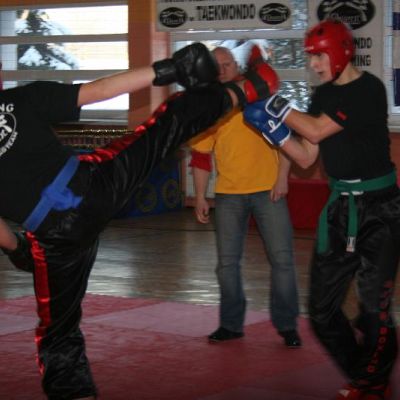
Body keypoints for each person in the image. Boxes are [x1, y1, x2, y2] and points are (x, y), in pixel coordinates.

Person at [0, 42, 280, 399]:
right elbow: (99, 90)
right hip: (94, 188)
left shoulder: (19, 100)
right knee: (167, 125)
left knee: (59, 334)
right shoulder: (18, 100)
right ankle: (247, 89)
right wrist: (167, 70)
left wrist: (17, 249)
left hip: (55, 236)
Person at [244, 19, 399, 400]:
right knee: (320, 312)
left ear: (341, 52)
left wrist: (273, 102)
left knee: (374, 308)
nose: (313, 65)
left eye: (319, 56)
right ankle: (364, 376)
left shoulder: (369, 89)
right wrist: (273, 131)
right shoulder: (322, 96)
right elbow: (305, 155)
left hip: (380, 211)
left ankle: (371, 384)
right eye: (311, 58)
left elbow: (315, 130)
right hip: (340, 209)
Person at [189, 46, 301, 347]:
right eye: (218, 66)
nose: (223, 69)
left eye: (228, 63)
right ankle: (230, 324)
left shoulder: (261, 94)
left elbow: (288, 137)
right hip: (228, 195)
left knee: (282, 260)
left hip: (268, 190)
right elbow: (200, 157)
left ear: (237, 66)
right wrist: (200, 197)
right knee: (227, 264)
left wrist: (282, 177)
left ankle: (288, 326)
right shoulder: (213, 107)